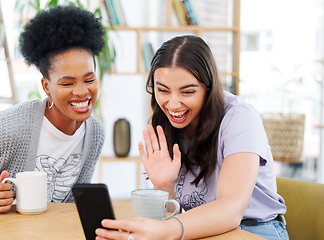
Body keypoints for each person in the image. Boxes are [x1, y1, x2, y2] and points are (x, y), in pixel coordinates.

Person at [95, 35, 288, 240]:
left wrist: (166, 230)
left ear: (208, 88)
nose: (173, 104)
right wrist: (164, 186)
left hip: (254, 230)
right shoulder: (165, 124)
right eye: (163, 90)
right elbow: (179, 216)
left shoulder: (240, 117)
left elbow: (231, 211)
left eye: (187, 92)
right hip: (204, 231)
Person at [0, 5, 105, 213]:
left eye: (89, 79)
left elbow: (70, 206)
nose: (81, 91)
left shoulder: (94, 133)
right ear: (46, 86)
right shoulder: (10, 127)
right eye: (67, 84)